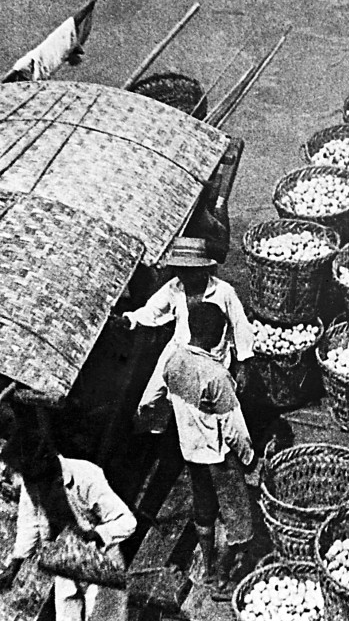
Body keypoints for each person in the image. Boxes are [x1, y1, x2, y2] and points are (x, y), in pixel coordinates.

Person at [154, 302, 255, 599]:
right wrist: (249, 457)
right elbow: (234, 427)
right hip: (219, 457)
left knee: (204, 512)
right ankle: (222, 582)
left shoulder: (173, 362)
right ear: (216, 335)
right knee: (233, 520)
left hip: (191, 451)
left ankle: (208, 567)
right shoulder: (216, 375)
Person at [118, 236, 255, 428]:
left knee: (203, 408)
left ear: (204, 269)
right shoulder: (175, 288)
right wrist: (130, 319)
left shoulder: (224, 292)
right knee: (151, 400)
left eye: (192, 271)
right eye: (182, 271)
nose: (186, 276)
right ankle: (152, 435)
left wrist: (243, 364)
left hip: (211, 358)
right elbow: (154, 310)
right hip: (178, 351)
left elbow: (241, 326)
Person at [0, 431, 137, 621]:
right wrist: (14, 566)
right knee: (66, 614)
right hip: (65, 559)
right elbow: (29, 522)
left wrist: (97, 534)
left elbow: (127, 521)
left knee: (104, 615)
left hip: (101, 559)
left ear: (47, 461)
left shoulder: (87, 475)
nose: (29, 481)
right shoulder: (33, 481)